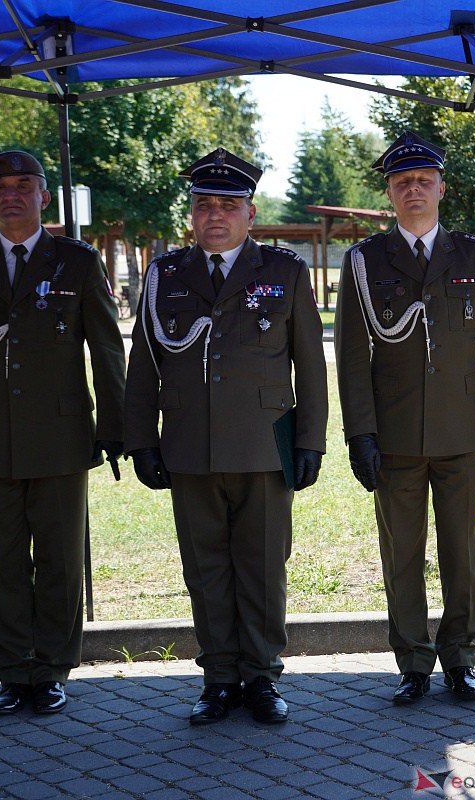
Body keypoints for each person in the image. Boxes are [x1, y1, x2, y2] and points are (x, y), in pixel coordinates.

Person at [124, 148, 328, 725]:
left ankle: (262, 677)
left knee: (263, 566)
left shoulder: (282, 271)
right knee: (205, 567)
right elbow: (143, 364)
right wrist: (141, 440)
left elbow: (310, 363)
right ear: (191, 213)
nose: (216, 214)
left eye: (228, 204)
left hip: (265, 446)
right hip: (188, 447)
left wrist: (309, 440)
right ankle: (218, 678)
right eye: (205, 204)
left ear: (250, 211)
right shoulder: (165, 274)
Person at [0, 149, 126, 715]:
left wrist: (115, 431)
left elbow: (107, 352)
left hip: (61, 437)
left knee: (61, 561)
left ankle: (52, 669)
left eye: (22, 185)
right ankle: (13, 672)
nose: (10, 195)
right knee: (1, 560)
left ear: (44, 195)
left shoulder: (78, 262)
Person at [334, 131, 475, 705]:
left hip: (462, 429)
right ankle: (413, 661)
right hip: (393, 435)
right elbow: (351, 356)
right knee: (403, 553)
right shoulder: (365, 262)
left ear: (442, 189)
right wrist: (359, 432)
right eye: (401, 182)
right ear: (389, 194)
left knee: (463, 549)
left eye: (423, 181)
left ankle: (461, 658)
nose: (413, 190)